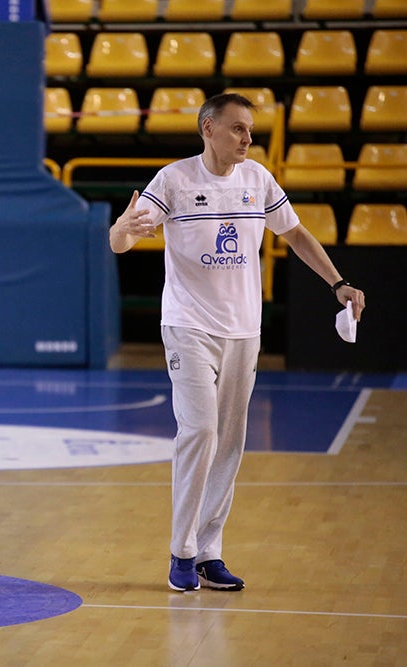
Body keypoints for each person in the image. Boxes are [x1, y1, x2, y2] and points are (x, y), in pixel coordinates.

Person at [109, 93, 365, 592]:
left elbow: (297, 235)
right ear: (209, 128)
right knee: (200, 430)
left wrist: (339, 283)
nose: (248, 138)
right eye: (238, 129)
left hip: (245, 330)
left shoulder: (258, 180)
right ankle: (180, 552)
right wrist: (121, 228)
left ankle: (209, 552)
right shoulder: (175, 180)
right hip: (188, 326)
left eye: (250, 129)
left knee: (229, 440)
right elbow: (122, 242)